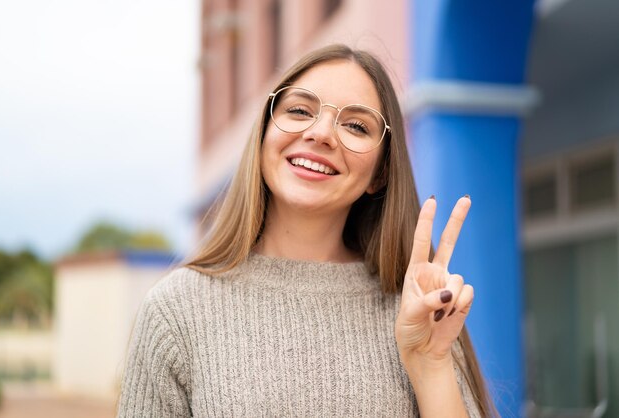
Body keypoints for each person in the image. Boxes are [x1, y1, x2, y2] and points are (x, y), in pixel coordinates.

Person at [117, 44, 497, 417]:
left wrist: (429, 361)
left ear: (380, 173)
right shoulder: (176, 310)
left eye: (355, 125)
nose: (321, 133)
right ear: (264, 133)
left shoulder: (418, 306)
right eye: (299, 110)